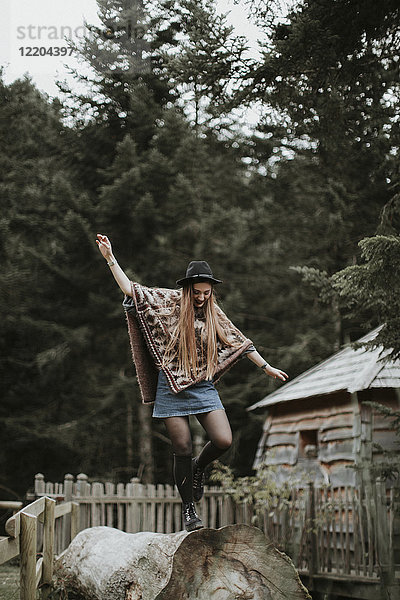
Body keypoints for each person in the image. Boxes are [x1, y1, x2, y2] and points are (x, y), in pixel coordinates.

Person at [96, 233, 288, 531]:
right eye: (197, 292)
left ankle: (199, 467)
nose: (201, 297)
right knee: (182, 447)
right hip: (170, 385)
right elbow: (131, 290)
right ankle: (188, 510)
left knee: (223, 439)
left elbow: (239, 340)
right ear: (187, 288)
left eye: (206, 292)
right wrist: (110, 258)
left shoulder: (213, 313)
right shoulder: (169, 303)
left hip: (201, 385)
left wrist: (266, 367)